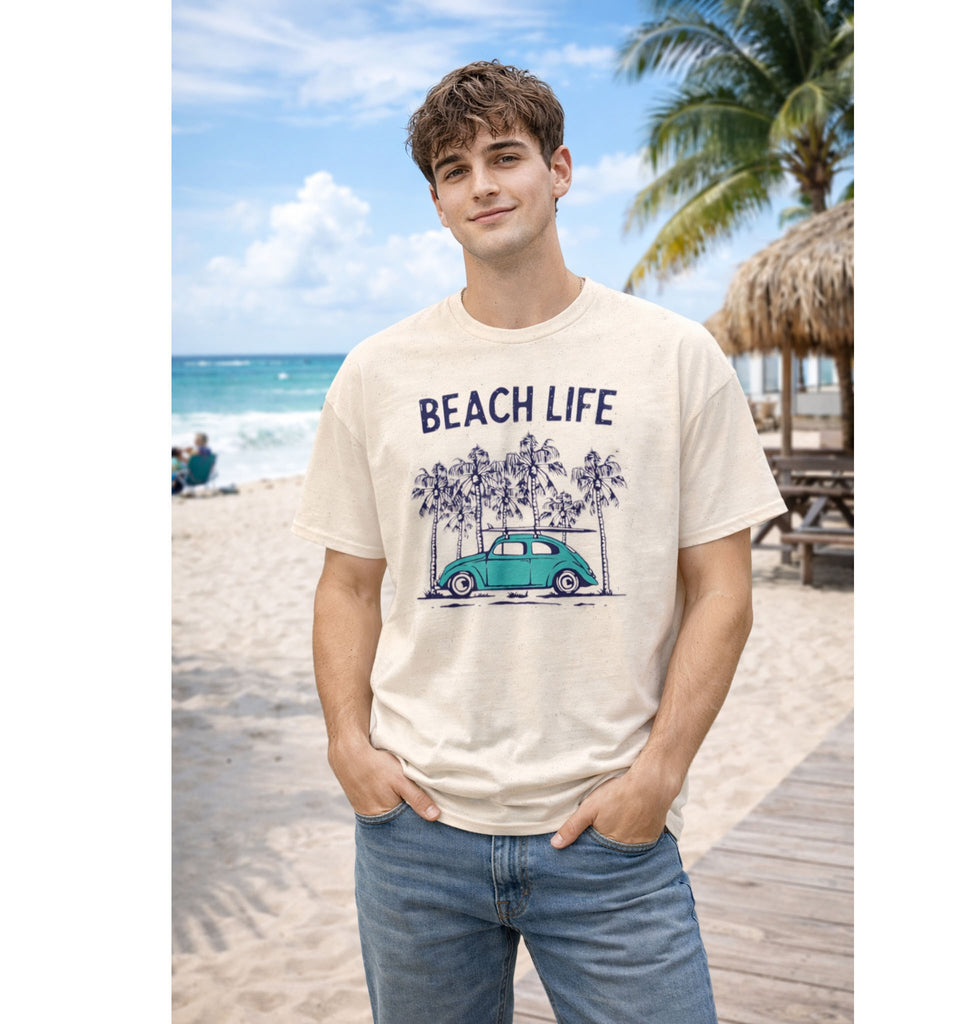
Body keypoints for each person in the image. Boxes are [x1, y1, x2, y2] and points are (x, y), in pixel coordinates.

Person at [292, 60, 786, 1024]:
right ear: (436, 203)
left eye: (505, 156)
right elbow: (347, 583)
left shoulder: (674, 356)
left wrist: (661, 775)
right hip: (417, 832)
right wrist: (347, 745)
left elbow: (722, 587)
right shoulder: (376, 372)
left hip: (607, 834)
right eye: (453, 169)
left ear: (559, 169)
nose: (483, 184)